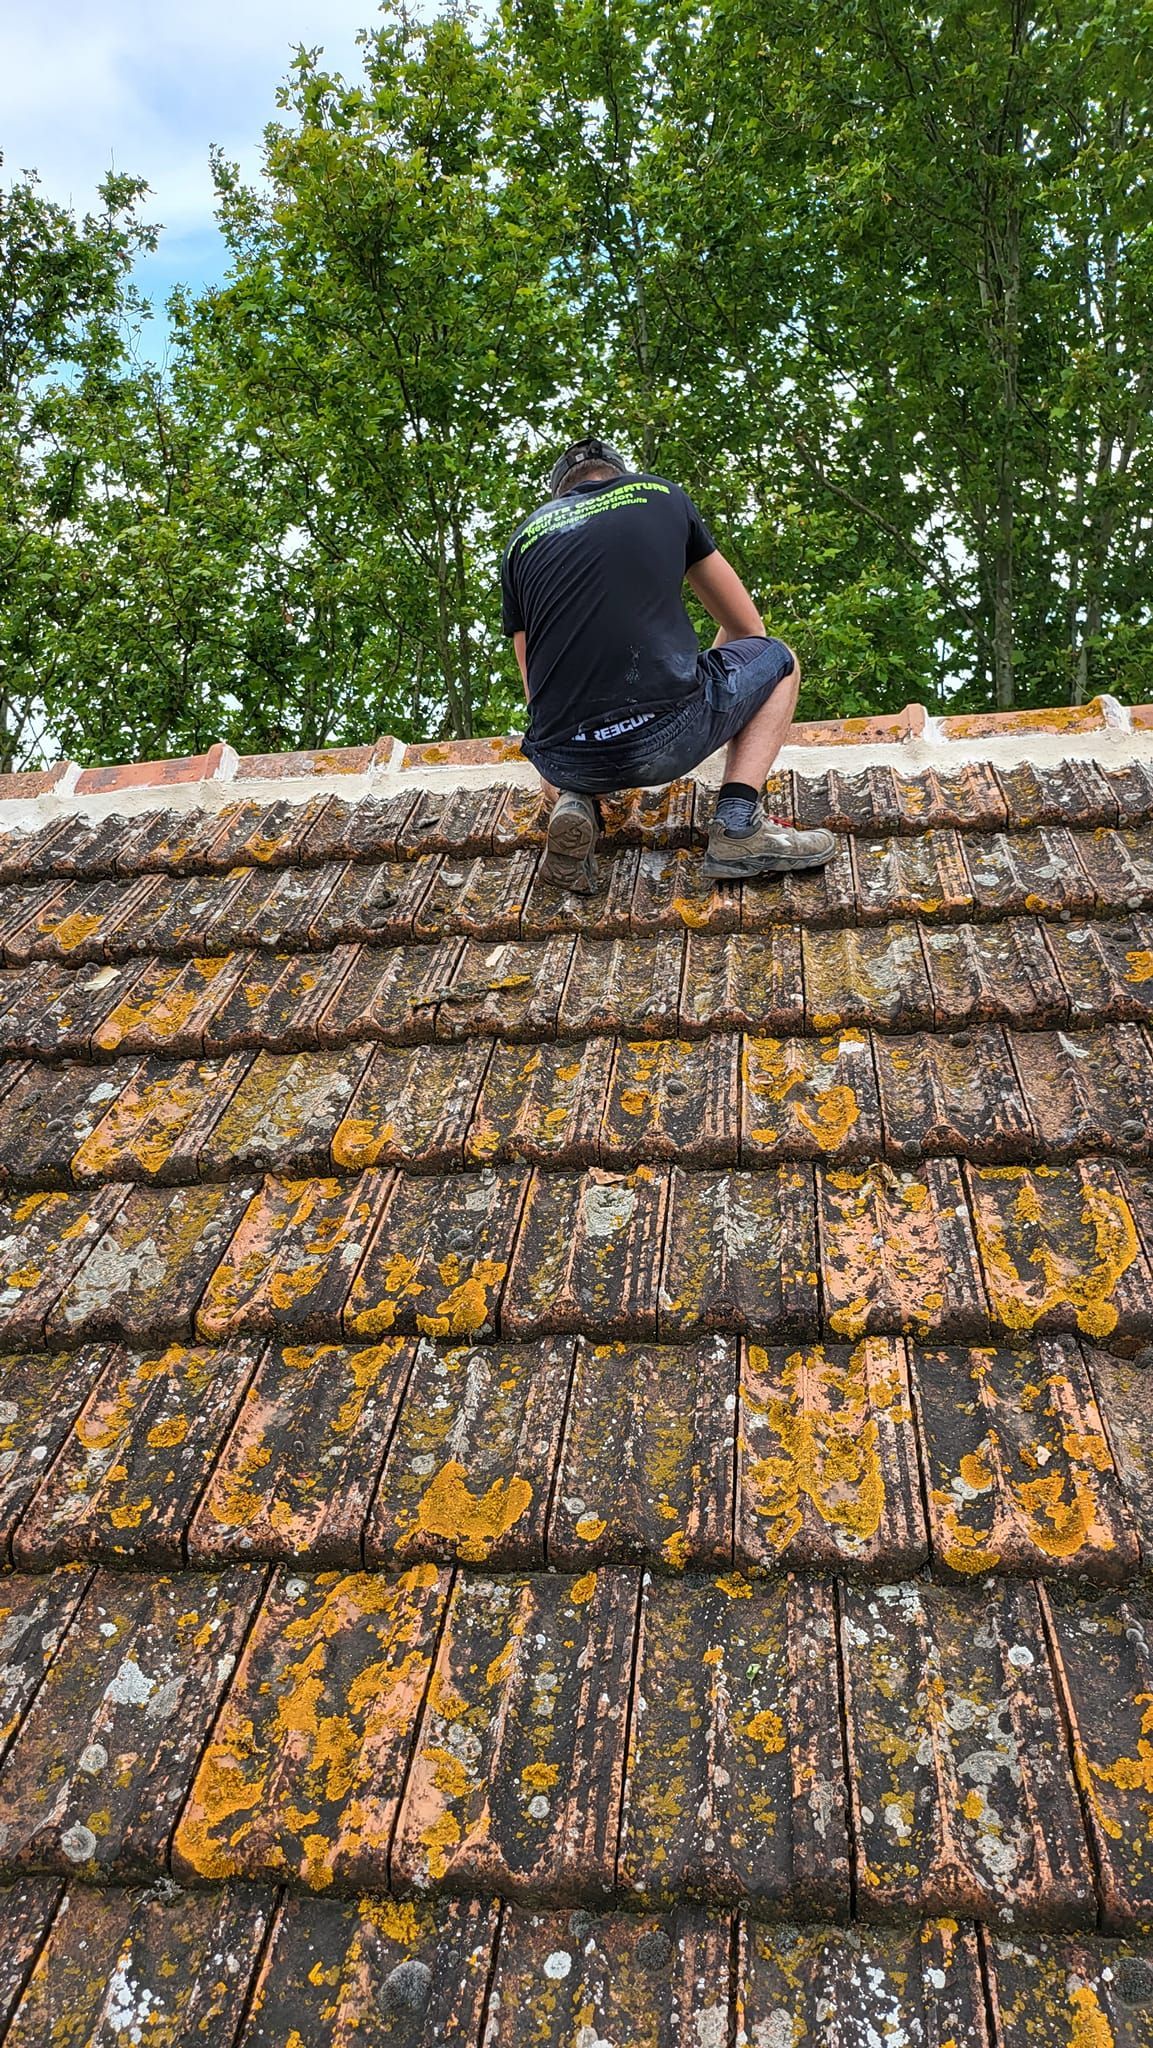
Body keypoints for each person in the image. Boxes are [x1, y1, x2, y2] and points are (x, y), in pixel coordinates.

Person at [500, 434, 836, 891]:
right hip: (664, 735)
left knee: (555, 731)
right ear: (618, 475)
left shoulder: (522, 541)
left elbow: (534, 689)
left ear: (561, 494)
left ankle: (574, 801)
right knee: (779, 660)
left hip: (567, 756)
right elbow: (746, 628)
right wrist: (709, 676)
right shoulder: (659, 494)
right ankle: (738, 827)